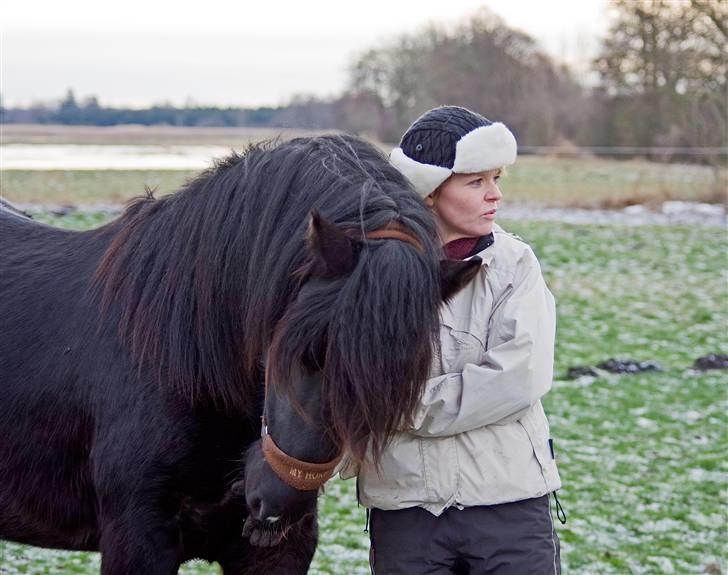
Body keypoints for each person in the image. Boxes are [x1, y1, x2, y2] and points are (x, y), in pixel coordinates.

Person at [347, 105, 563, 574]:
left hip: (507, 504)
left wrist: (401, 408)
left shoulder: (514, 265)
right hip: (406, 511)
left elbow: (518, 378)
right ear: (428, 193)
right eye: (476, 182)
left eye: (497, 179)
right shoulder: (373, 275)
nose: (495, 196)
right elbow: (355, 376)